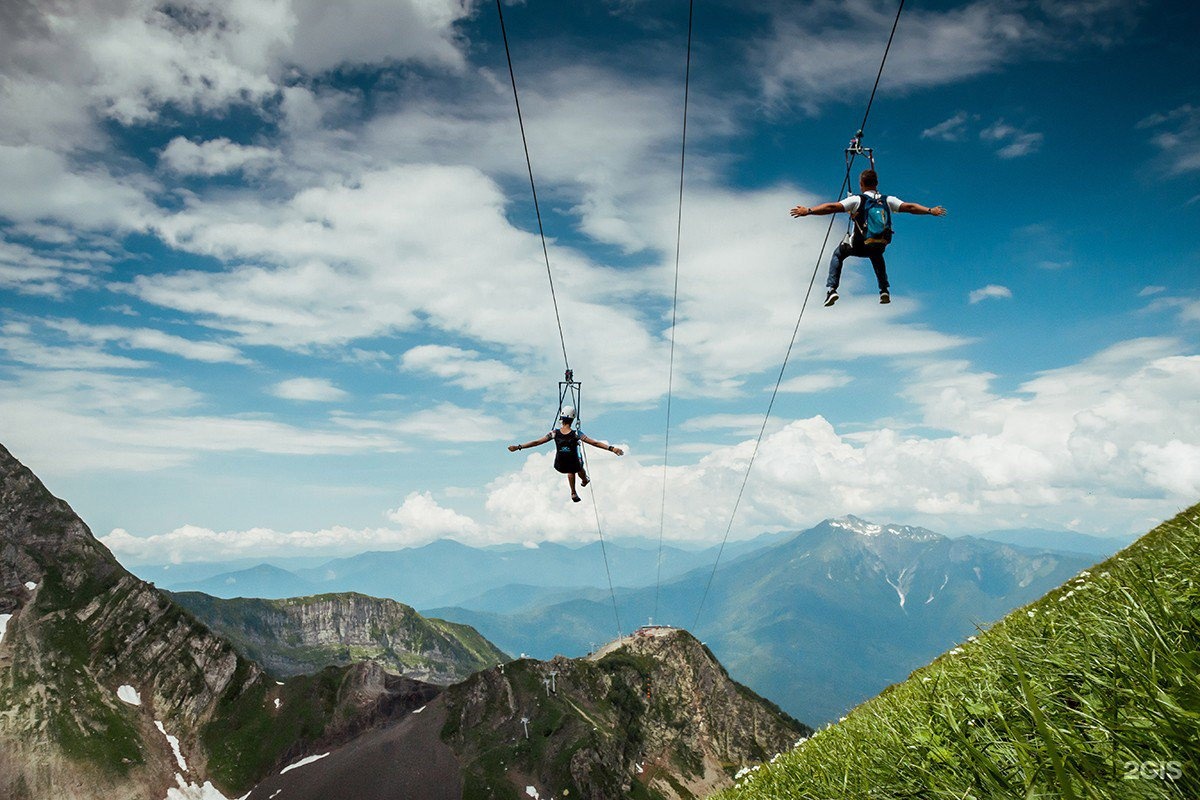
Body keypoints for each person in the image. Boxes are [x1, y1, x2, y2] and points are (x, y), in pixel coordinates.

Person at [790, 169, 946, 306]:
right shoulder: (887, 200)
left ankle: (832, 290)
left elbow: (832, 207)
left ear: (861, 184)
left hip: (859, 244)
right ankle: (884, 289)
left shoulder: (857, 200)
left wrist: (808, 210)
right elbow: (910, 207)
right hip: (880, 243)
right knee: (877, 254)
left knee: (838, 254)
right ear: (877, 183)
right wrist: (930, 210)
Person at [508, 406, 624, 502]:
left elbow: (537, 442)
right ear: (573, 420)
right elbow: (594, 443)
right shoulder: (576, 434)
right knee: (578, 465)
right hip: (573, 464)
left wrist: (518, 447)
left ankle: (573, 492)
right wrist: (612, 448)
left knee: (571, 466)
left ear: (561, 419)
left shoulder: (554, 433)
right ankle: (583, 481)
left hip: (560, 465)